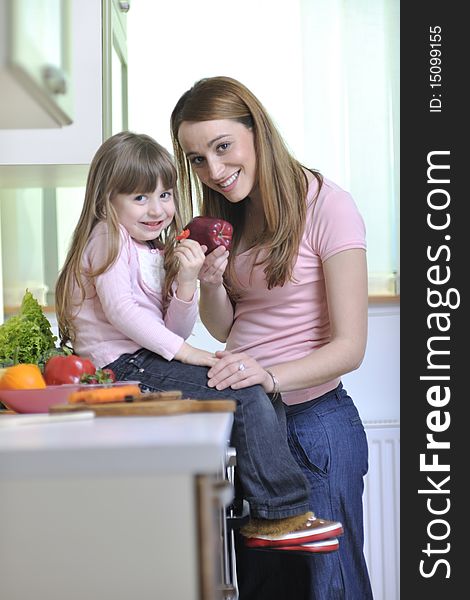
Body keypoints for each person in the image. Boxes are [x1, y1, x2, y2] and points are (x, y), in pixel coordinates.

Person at [54, 130, 343, 554]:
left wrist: (188, 282)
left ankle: (261, 511)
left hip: (144, 358)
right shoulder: (108, 237)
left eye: (166, 195)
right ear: (106, 202)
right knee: (239, 390)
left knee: (257, 390)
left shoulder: (152, 249)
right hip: (115, 367)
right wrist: (194, 356)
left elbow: (172, 331)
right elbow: (123, 314)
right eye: (139, 198)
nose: (158, 209)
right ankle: (280, 514)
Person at [170, 76, 373, 599]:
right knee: (268, 590)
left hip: (312, 427)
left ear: (256, 131)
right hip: (252, 424)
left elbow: (351, 347)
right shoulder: (230, 216)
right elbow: (226, 328)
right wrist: (211, 283)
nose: (213, 172)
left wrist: (270, 375)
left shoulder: (329, 205)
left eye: (222, 147)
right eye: (196, 159)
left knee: (330, 586)